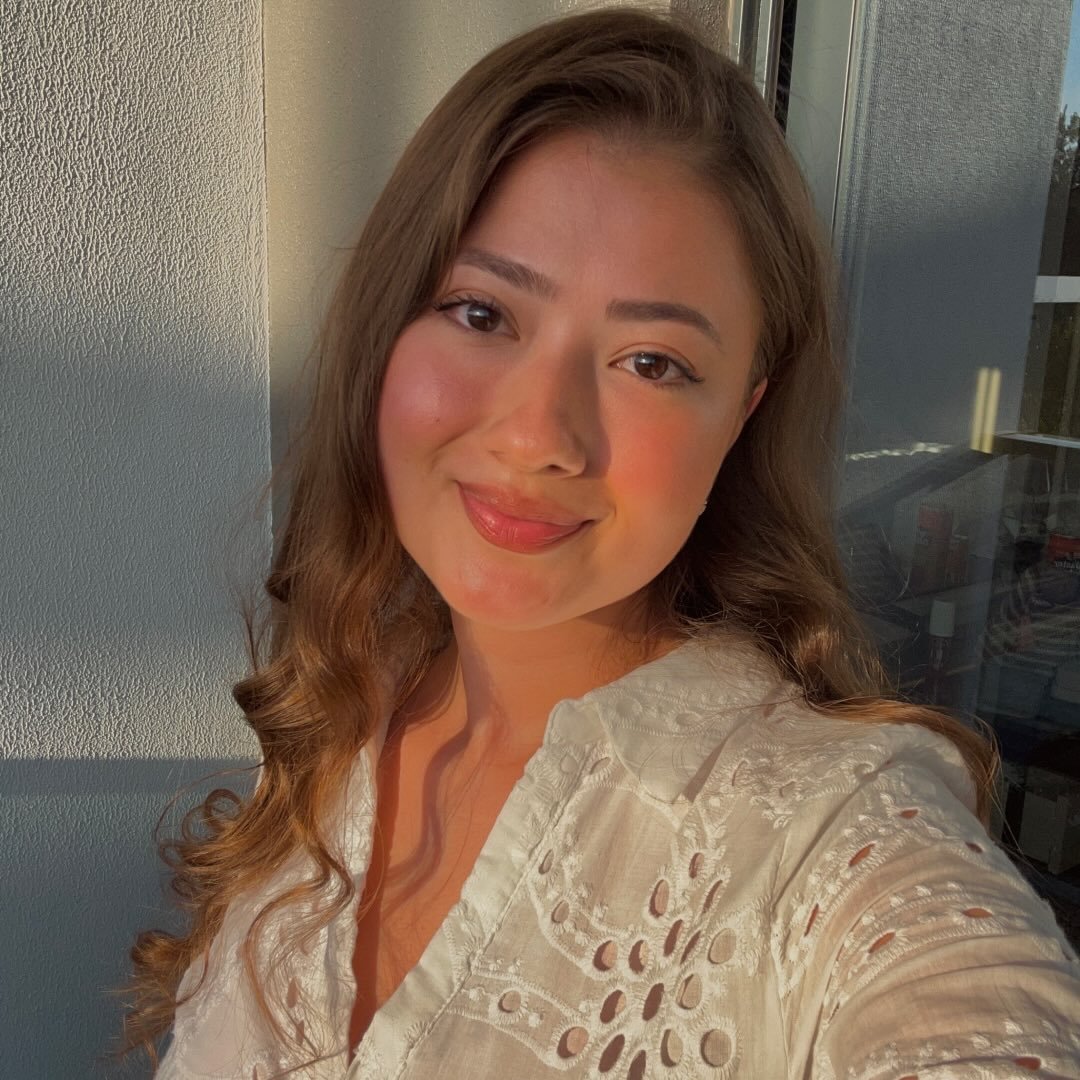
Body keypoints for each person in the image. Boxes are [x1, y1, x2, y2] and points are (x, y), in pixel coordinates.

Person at [123, 8, 1080, 1078]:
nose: (539, 436)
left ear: (742, 415)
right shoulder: (346, 707)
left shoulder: (829, 827)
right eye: (482, 313)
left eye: (652, 363)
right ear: (388, 327)